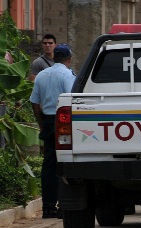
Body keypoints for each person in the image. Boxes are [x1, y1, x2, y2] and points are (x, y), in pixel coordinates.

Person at [30, 44, 76, 218]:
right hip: (64, 123)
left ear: (54, 57)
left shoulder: (41, 75)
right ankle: (65, 205)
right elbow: (72, 99)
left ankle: (48, 207)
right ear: (68, 59)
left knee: (49, 165)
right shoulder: (67, 74)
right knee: (65, 164)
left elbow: (34, 101)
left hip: (48, 121)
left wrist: (41, 123)